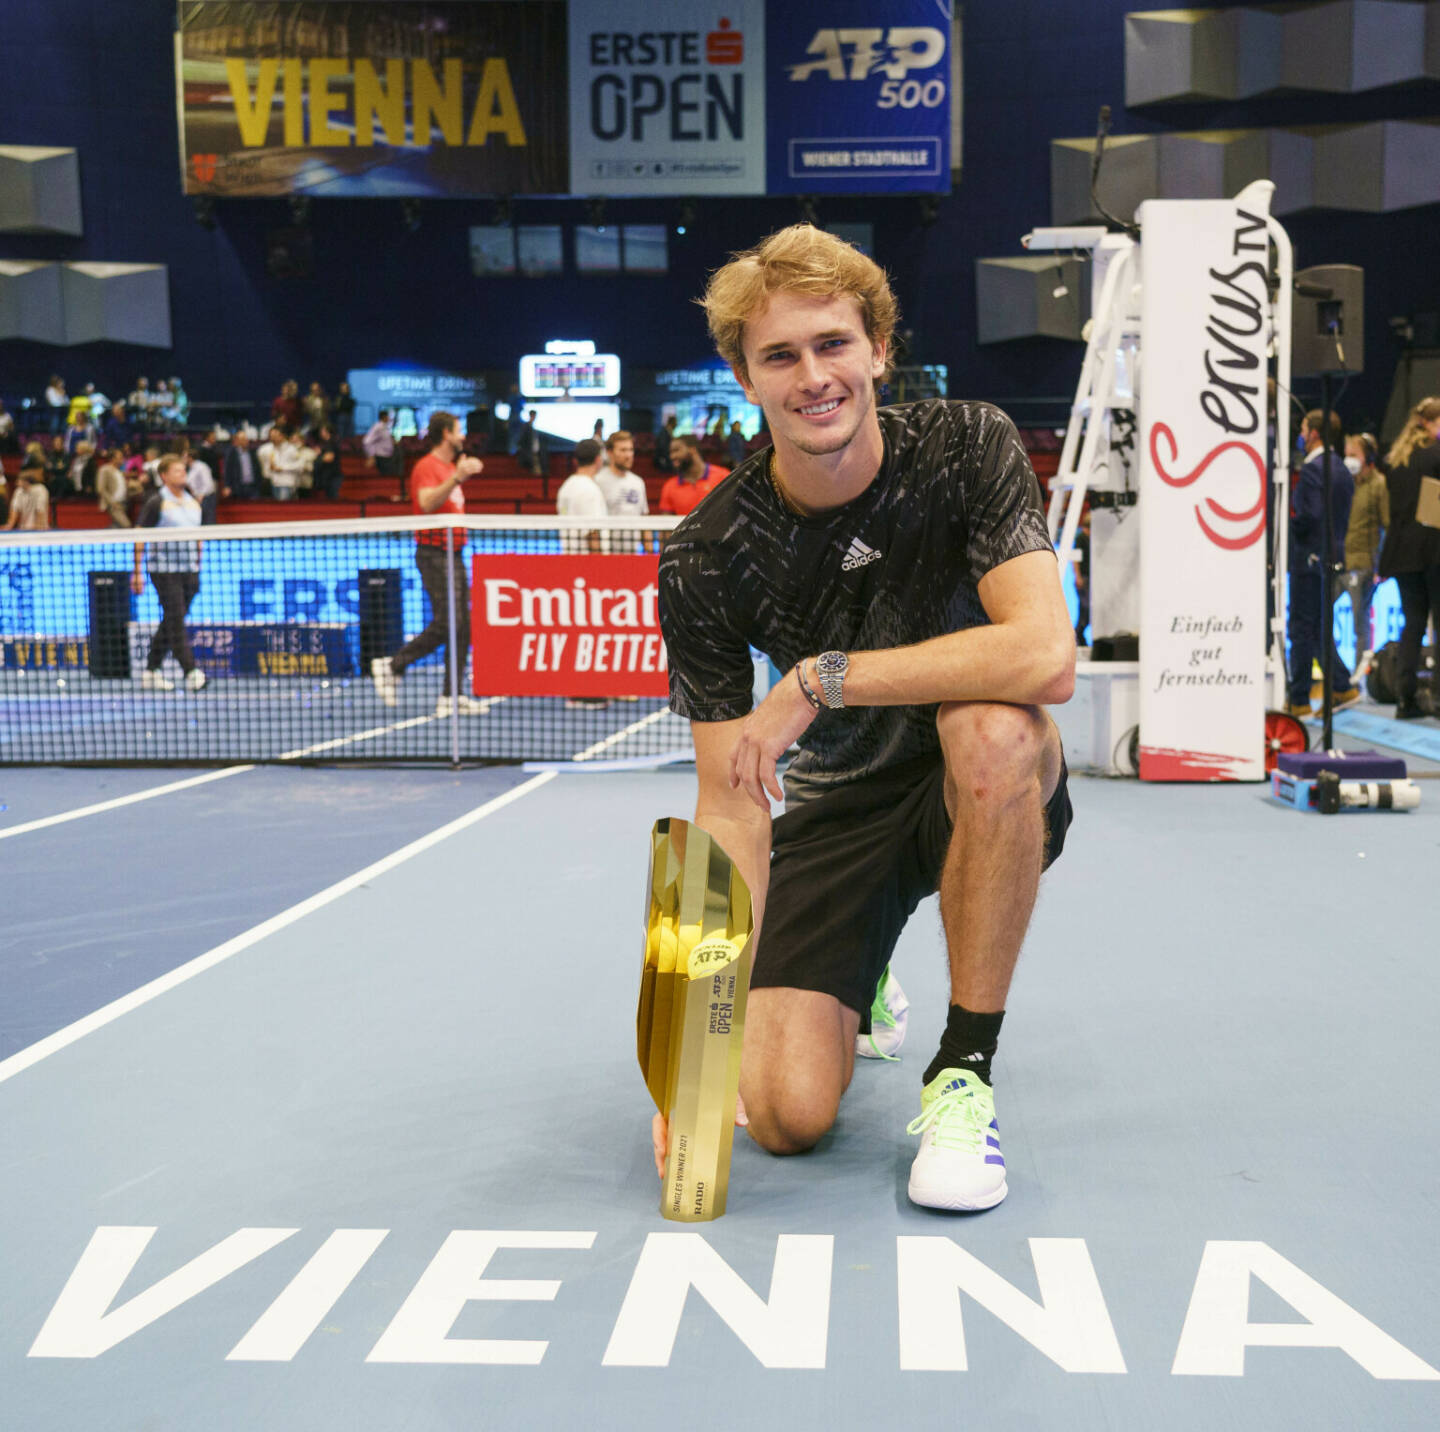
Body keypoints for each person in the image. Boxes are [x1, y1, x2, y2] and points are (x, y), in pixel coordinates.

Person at [653, 224, 1075, 1213]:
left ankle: (963, 1071)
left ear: (879, 348)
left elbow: (1045, 653)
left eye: (834, 343)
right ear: (744, 377)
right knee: (786, 1115)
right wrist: (694, 1052)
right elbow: (730, 804)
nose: (814, 376)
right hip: (839, 808)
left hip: (976, 776)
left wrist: (818, 680)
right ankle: (866, 965)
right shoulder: (707, 557)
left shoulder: (970, 445)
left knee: (992, 727)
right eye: (780, 355)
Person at [371, 411, 484, 716]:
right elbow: (426, 502)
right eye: (459, 431)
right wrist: (457, 477)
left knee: (463, 625)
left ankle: (451, 695)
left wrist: (458, 474)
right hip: (433, 552)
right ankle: (393, 664)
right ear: (446, 434)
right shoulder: (427, 467)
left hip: (455, 552)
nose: (463, 437)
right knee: (448, 621)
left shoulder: (448, 467)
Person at [1285, 409, 1358, 717]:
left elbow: (1309, 515)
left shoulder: (1314, 469)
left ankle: (1299, 698)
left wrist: (1293, 524)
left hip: (1310, 558)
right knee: (1317, 627)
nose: (1300, 434)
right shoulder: (1341, 468)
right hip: (1332, 557)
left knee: (1302, 627)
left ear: (1313, 433)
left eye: (1303, 428)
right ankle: (1341, 685)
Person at [1379, 397, 1440, 720]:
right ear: (1432, 423)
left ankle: (1406, 697)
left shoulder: (1398, 459)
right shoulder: (1435, 455)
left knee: (1413, 623)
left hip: (1401, 551)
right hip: (1433, 549)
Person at [132, 454, 206, 692]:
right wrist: (137, 571)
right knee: (175, 616)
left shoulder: (193, 501)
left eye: (183, 470)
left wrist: (198, 564)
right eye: (176, 471)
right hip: (163, 570)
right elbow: (140, 534)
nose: (182, 474)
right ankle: (191, 671)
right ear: (164, 476)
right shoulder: (156, 502)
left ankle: (151, 671)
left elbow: (198, 535)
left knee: (173, 619)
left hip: (189, 571)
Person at [1340, 433, 1388, 671]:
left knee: (1360, 625)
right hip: (1340, 562)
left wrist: (1381, 565)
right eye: (1346, 455)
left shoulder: (1379, 484)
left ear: (1368, 457)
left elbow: (1386, 524)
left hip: (1364, 564)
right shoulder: (1345, 483)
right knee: (1319, 618)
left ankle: (1359, 677)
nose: (1348, 460)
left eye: (1353, 455)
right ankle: (1338, 677)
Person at [597, 429, 651, 552]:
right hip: (607, 555)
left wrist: (651, 554)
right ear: (610, 452)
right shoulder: (598, 481)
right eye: (623, 450)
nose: (628, 455)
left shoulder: (638, 482)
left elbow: (644, 522)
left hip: (632, 555)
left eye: (631, 450)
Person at [658, 433, 725, 517]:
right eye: (670, 452)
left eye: (676, 450)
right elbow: (665, 525)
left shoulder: (723, 477)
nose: (672, 456)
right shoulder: (669, 486)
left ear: (692, 449)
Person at [4, 459, 51, 530]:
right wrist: (9, 526)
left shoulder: (41, 490)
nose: (16, 483)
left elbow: (40, 510)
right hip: (24, 528)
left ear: (26, 482)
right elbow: (14, 510)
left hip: (39, 528)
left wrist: (39, 528)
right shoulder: (18, 492)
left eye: (19, 480)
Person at [96, 449, 131, 527]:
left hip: (123, 503)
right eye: (120, 457)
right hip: (114, 505)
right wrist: (113, 503)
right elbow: (101, 489)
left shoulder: (119, 471)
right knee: (126, 525)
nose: (123, 459)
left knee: (117, 526)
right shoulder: (104, 469)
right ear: (113, 459)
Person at [225, 428, 261, 500]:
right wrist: (227, 486)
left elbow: (258, 469)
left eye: (246, 439)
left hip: (252, 487)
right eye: (243, 439)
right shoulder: (232, 454)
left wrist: (259, 484)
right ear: (237, 441)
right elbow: (228, 471)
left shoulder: (253, 453)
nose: (246, 441)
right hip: (238, 487)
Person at [363, 408, 399, 478]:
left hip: (387, 456)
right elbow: (366, 441)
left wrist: (393, 442)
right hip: (381, 457)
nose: (389, 418)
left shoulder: (385, 427)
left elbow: (384, 440)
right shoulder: (378, 427)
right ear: (384, 417)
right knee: (386, 478)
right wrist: (371, 455)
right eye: (388, 416)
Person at [312, 424, 342, 500]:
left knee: (332, 498)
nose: (320, 433)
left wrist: (318, 456)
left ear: (327, 432)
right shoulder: (324, 443)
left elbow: (329, 458)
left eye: (322, 431)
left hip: (332, 476)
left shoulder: (331, 443)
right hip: (326, 475)